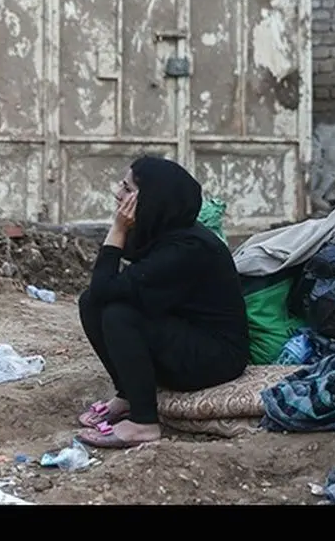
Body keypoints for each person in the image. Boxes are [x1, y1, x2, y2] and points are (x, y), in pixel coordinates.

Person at [74, 155, 250, 449]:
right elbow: (100, 290)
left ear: (153, 198)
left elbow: (108, 286)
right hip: (183, 334)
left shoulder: (189, 248)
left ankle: (143, 423)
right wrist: (121, 229)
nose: (118, 193)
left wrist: (118, 229)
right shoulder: (162, 230)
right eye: (122, 185)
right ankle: (128, 395)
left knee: (119, 314)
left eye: (127, 189)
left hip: (216, 356)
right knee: (91, 302)